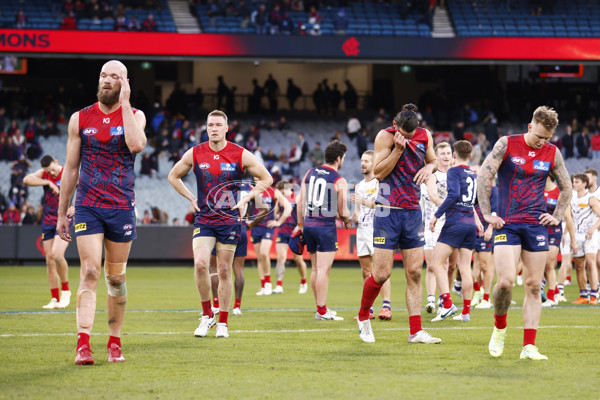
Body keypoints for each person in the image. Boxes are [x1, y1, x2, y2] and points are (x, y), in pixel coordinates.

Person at [57, 60, 147, 365]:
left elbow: (136, 144)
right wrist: (60, 213)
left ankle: (114, 342)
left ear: (124, 82)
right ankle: (83, 344)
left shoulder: (135, 115)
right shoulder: (80, 118)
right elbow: (70, 169)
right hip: (88, 205)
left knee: (116, 279)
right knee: (91, 270)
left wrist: (125, 102)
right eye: (103, 75)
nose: (107, 80)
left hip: (121, 206)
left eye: (114, 76)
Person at [477, 106, 571, 360]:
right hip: (506, 223)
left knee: (532, 284)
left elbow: (566, 186)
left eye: (547, 138)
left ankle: (529, 346)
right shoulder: (506, 144)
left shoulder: (552, 153)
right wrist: (486, 213)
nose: (542, 142)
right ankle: (499, 327)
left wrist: (558, 215)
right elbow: (484, 177)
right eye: (539, 136)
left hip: (535, 224)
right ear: (530, 126)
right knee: (506, 281)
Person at [168, 110, 271, 339]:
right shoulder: (195, 153)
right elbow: (173, 176)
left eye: (218, 125)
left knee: (225, 271)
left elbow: (266, 178)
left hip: (229, 220)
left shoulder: (239, 154)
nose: (213, 128)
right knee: (201, 265)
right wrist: (190, 198)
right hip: (204, 218)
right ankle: (207, 315)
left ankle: (223, 322)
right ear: (206, 128)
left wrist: (245, 198)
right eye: (210, 125)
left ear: (226, 128)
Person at [356, 104, 440, 344]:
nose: (407, 138)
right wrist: (397, 151)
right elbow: (378, 174)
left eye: (410, 135)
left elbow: (433, 161)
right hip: (387, 211)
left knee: (414, 272)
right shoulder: (385, 136)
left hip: (413, 211)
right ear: (396, 126)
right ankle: (363, 316)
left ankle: (415, 331)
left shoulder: (425, 136)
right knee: (381, 274)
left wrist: (428, 166)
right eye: (403, 134)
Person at [429, 141, 483, 323]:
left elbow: (453, 195)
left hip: (455, 222)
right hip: (469, 224)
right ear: (469, 156)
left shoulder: (453, 171)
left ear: (454, 155)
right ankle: (466, 312)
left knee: (436, 263)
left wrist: (436, 215)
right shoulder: (474, 175)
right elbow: (475, 201)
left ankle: (447, 304)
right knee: (464, 267)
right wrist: (477, 221)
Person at [297, 140, 350, 320]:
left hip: (310, 225)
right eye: (343, 158)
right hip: (325, 227)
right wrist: (347, 220)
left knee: (315, 269)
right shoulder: (338, 179)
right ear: (338, 158)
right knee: (323, 270)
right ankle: (322, 310)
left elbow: (300, 201)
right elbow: (343, 210)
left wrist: (300, 225)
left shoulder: (310, 172)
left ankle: (320, 308)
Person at [23, 155, 73, 309]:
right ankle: (54, 299)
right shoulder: (45, 175)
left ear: (56, 163)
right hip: (48, 220)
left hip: (65, 219)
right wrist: (47, 182)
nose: (50, 173)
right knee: (49, 261)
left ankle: (66, 291)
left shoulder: (68, 172)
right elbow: (26, 180)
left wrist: (76, 206)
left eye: (52, 170)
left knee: (57, 255)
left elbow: (86, 188)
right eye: (47, 171)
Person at [350, 150, 392, 320]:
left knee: (380, 270)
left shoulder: (380, 183)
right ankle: (369, 309)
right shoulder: (359, 186)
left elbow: (384, 206)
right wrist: (349, 219)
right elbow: (357, 214)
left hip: (377, 230)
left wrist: (363, 201)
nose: (363, 163)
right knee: (366, 271)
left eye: (367, 161)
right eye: (362, 160)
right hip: (362, 231)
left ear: (375, 163)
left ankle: (386, 306)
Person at [421, 142, 452, 313]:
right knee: (432, 265)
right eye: (443, 153)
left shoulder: (455, 176)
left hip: (449, 224)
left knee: (447, 265)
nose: (446, 156)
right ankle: (431, 299)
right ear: (437, 157)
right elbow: (428, 200)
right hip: (431, 225)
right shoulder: (430, 177)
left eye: (449, 152)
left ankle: (443, 300)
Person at [252, 180, 292, 296]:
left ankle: (268, 283)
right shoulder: (252, 190)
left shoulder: (273, 191)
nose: (256, 179)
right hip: (255, 227)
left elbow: (288, 207)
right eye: (254, 177)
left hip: (268, 226)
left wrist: (279, 222)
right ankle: (263, 285)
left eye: (258, 177)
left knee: (264, 253)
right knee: (259, 257)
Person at [542, 176, 576, 307]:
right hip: (538, 231)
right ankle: (556, 291)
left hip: (553, 232)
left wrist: (573, 240)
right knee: (541, 265)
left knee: (549, 263)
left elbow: (568, 217)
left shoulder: (559, 193)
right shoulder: (537, 190)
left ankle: (551, 298)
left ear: (548, 176)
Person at [569, 173, 600, 305]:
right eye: (573, 182)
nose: (574, 184)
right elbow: (569, 218)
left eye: (576, 182)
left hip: (590, 236)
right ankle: (583, 295)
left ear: (584, 184)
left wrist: (593, 228)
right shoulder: (571, 199)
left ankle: (593, 295)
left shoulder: (591, 199)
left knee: (590, 263)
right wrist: (571, 237)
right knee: (579, 265)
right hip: (577, 236)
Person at [274, 180, 308, 294]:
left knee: (298, 260)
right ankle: (279, 285)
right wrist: (277, 203)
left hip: (295, 232)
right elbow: (276, 215)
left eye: (281, 192)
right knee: (281, 258)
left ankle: (303, 282)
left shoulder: (297, 198)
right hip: (282, 231)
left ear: (286, 189)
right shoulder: (280, 201)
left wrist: (299, 226)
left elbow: (304, 213)